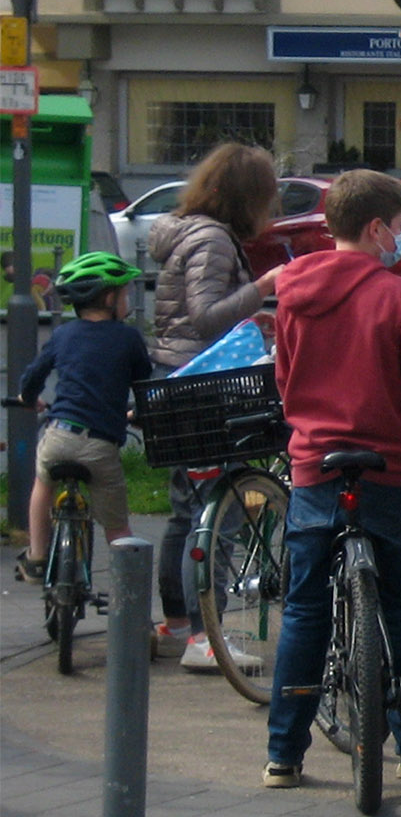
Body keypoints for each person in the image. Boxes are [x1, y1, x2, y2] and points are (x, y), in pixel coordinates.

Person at [264, 170, 401, 789]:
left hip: (315, 466)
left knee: (304, 609)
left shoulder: (293, 293)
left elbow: (286, 382)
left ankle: (284, 754)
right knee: (400, 605)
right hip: (390, 471)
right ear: (377, 229)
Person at [148, 142, 283, 668]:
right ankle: (207, 638)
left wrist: (249, 319)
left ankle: (179, 625)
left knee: (185, 511)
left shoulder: (187, 232)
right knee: (218, 511)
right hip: (202, 384)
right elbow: (204, 317)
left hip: (175, 378)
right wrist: (264, 289)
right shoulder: (214, 240)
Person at [13, 254, 153, 581]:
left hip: (60, 436)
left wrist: (27, 399)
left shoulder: (62, 335)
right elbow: (145, 386)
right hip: (100, 447)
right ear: (108, 298)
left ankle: (35, 556)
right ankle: (127, 593)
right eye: (124, 293)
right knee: (118, 526)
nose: (127, 300)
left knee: (43, 483)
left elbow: (34, 376)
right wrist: (138, 414)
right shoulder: (129, 338)